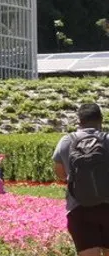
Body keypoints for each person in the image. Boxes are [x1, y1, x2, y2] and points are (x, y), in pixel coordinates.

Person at [54, 102, 109, 256]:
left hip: (78, 207)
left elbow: (60, 173)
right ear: (101, 120)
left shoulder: (66, 141)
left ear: (79, 120)